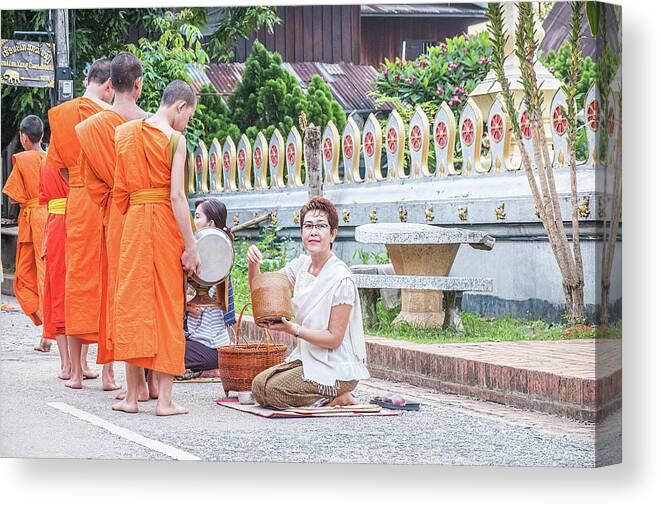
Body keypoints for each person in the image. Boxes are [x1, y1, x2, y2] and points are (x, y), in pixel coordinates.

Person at [111, 80, 200, 416]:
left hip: (133, 224)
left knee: (133, 305)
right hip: (163, 224)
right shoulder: (176, 139)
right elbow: (177, 196)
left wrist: (138, 209)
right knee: (166, 307)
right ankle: (164, 400)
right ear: (180, 107)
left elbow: (120, 192)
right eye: (189, 116)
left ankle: (132, 398)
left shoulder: (126, 133)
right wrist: (191, 246)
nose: (186, 122)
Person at [75, 52, 150, 393]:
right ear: (138, 84)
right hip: (148, 218)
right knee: (148, 295)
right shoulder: (151, 124)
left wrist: (111, 200)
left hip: (115, 218)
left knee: (120, 293)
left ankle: (123, 380)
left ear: (111, 84)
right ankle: (150, 381)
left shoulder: (90, 128)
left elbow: (90, 181)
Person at [249, 196, 370, 409]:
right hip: (308, 356)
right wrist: (253, 265)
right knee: (259, 385)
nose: (314, 231)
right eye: (308, 226)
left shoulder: (341, 278)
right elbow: (263, 291)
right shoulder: (301, 266)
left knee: (274, 391)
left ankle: (338, 393)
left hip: (337, 366)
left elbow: (333, 339)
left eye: (321, 226)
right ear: (302, 233)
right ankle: (332, 397)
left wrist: (292, 329)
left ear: (333, 234)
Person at [40, 58, 114, 384]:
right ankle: (98, 368)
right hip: (102, 203)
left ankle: (73, 370)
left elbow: (56, 165)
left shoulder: (62, 114)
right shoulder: (110, 116)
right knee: (102, 283)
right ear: (110, 85)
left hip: (76, 204)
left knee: (74, 282)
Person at [2, 115, 50, 352]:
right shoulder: (51, 159)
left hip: (32, 218)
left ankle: (48, 329)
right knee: (46, 274)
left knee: (25, 278)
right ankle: (48, 332)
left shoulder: (22, 160)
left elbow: (12, 196)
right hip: (49, 216)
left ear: (23, 137)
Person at [182, 198, 236, 375]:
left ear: (210, 223)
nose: (194, 222)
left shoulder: (217, 261)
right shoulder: (198, 253)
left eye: (198, 217)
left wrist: (187, 305)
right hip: (195, 340)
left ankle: (208, 370)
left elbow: (202, 305)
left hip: (211, 347)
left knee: (159, 359)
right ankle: (203, 370)